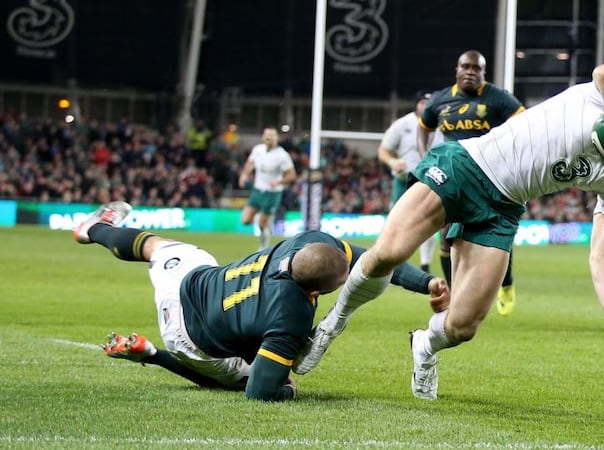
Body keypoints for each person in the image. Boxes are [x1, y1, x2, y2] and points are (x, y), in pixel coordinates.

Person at [294, 62, 604, 399]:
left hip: (503, 209)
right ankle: (334, 321)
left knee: (463, 326)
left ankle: (425, 345)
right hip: (467, 167)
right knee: (390, 253)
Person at [73, 201, 449, 402]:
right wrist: (286, 388)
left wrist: (425, 282)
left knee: (154, 245)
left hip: (192, 281)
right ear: (317, 294)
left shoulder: (309, 243)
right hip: (187, 336)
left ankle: (93, 229)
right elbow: (259, 393)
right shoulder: (290, 320)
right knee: (252, 380)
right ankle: (152, 354)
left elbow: (373, 260)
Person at [417, 50, 526, 316]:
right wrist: (425, 156)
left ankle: (507, 284)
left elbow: (524, 122)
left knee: (497, 236)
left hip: (490, 178)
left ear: (483, 73)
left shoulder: (498, 98)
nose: (470, 72)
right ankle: (454, 294)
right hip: (452, 178)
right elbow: (424, 126)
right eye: (465, 66)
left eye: (476, 68)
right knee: (446, 238)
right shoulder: (441, 100)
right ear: (456, 70)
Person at [377, 91, 437, 273]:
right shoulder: (402, 125)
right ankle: (387, 262)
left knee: (430, 222)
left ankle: (425, 264)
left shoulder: (442, 125)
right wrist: (393, 161)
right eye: (422, 102)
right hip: (404, 181)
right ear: (416, 104)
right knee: (396, 222)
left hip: (430, 181)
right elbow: (383, 150)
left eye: (429, 103)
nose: (425, 106)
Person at [238, 127, 297, 250]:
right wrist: (244, 175)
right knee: (245, 220)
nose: (269, 138)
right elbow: (250, 163)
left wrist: (279, 181)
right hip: (258, 190)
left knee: (262, 225)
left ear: (276, 138)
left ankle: (263, 246)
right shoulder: (258, 150)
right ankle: (264, 221)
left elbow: (291, 175)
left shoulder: (282, 155)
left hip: (272, 194)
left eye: (272, 135)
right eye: (267, 135)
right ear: (263, 137)